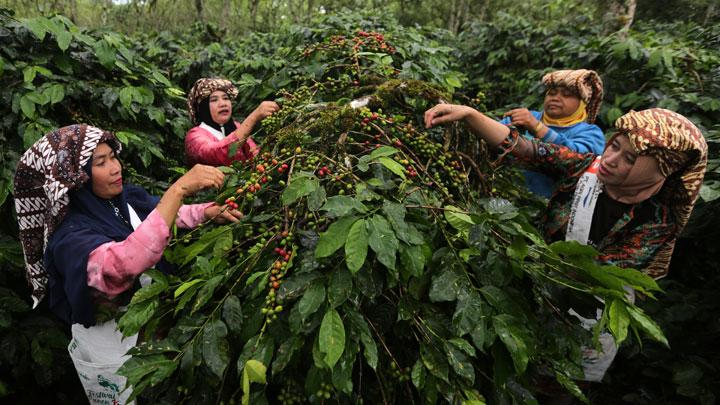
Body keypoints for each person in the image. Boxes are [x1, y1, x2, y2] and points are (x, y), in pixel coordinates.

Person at [425, 104, 707, 383]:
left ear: (654, 172)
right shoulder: (585, 167)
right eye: (614, 146)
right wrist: (470, 115)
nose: (611, 159)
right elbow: (528, 149)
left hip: (591, 309)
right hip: (540, 288)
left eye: (630, 159)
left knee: (563, 379)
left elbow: (601, 272)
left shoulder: (657, 221)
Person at [14, 124, 242, 403]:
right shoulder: (69, 237)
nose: (115, 168)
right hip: (113, 347)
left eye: (113, 157)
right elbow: (122, 264)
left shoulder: (122, 200)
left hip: (152, 339)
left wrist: (206, 212)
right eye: (101, 163)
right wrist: (179, 189)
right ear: (76, 178)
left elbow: (159, 215)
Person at [500, 69, 606, 198]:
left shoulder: (590, 133)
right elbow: (495, 133)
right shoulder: (526, 117)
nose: (555, 98)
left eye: (566, 95)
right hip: (506, 197)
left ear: (582, 103)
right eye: (551, 93)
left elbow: (578, 159)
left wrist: (538, 128)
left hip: (548, 205)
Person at [185, 77, 280, 166]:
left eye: (226, 98)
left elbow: (254, 155)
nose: (223, 104)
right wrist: (253, 117)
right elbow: (218, 153)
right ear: (204, 108)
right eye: (214, 100)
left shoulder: (235, 126)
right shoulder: (194, 136)